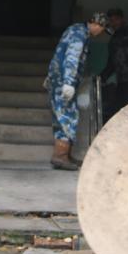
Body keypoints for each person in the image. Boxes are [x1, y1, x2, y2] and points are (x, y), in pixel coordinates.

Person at [45, 12, 108, 170]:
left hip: (57, 80)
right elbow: (72, 58)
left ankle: (61, 155)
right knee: (69, 117)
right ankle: (61, 156)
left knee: (61, 118)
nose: (101, 32)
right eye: (102, 28)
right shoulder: (79, 34)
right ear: (97, 24)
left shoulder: (75, 29)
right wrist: (69, 83)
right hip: (63, 82)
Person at [100, 8, 128, 122]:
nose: (114, 23)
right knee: (119, 110)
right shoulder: (113, 39)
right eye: (111, 21)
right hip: (121, 80)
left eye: (116, 19)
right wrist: (102, 76)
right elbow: (112, 62)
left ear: (122, 19)